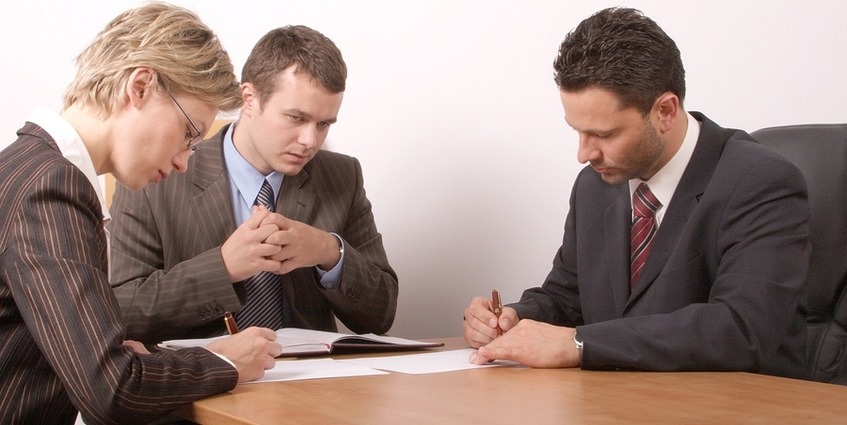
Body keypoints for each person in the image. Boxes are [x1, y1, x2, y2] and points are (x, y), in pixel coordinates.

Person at [463, 7, 810, 379]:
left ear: (664, 111)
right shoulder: (595, 186)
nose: (584, 154)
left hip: (741, 408)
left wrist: (578, 344)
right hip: (622, 404)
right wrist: (514, 318)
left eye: (605, 134)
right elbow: (567, 298)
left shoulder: (760, 181)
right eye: (577, 131)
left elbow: (742, 329)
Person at [0, 4, 283, 424]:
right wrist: (223, 363)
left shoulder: (23, 164)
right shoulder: (52, 185)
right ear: (141, 86)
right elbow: (113, 390)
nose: (187, 161)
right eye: (190, 134)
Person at [108, 25, 398, 344]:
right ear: (250, 98)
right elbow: (123, 310)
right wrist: (223, 268)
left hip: (312, 383)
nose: (309, 141)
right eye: (296, 118)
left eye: (324, 124)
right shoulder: (158, 173)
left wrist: (329, 251)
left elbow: (380, 315)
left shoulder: (342, 176)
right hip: (203, 379)